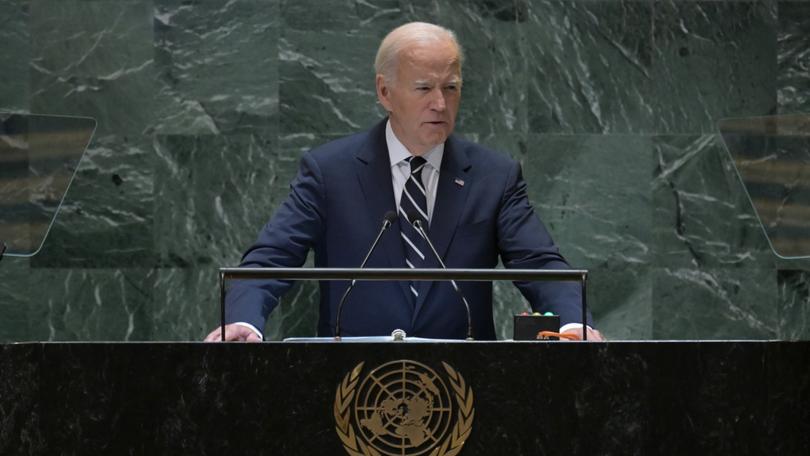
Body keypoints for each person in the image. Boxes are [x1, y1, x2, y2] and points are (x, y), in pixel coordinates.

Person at [205, 22, 603, 342]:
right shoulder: (330, 172)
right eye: (424, 88)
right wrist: (244, 322)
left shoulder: (493, 177)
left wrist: (572, 323)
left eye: (451, 88)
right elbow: (270, 260)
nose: (440, 104)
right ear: (385, 91)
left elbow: (540, 264)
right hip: (348, 385)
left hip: (467, 387)